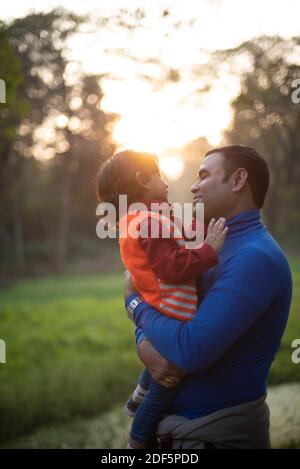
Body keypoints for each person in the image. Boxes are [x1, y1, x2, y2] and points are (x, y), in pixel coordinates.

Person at [124, 145, 293, 449]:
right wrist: (144, 345)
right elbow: (162, 303)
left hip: (215, 435)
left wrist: (133, 306)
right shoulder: (201, 243)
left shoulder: (256, 257)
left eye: (203, 175)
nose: (193, 185)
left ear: (238, 180)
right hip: (178, 433)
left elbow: (191, 349)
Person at [97, 150, 228, 448]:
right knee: (165, 385)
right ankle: (139, 438)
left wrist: (201, 232)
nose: (164, 181)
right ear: (143, 180)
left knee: (158, 371)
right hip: (169, 308)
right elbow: (172, 266)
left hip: (154, 303)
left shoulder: (144, 218)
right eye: (157, 174)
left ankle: (136, 397)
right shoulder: (148, 222)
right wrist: (210, 250)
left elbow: (178, 239)